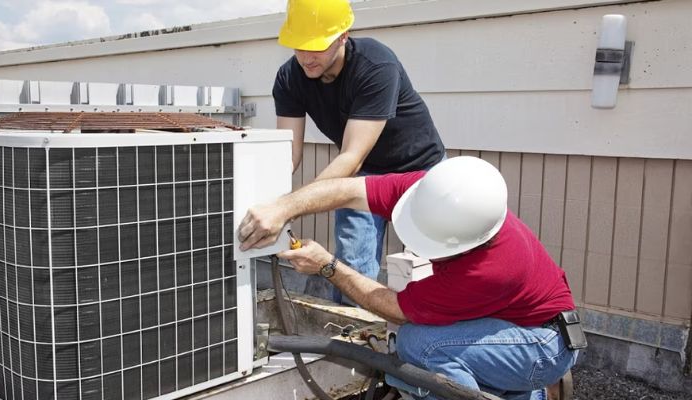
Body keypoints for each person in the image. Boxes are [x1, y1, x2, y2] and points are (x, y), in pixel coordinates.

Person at [238, 156, 579, 399]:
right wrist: (284, 207)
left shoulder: (489, 269)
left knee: (420, 344)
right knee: (424, 357)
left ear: (465, 245)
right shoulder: (432, 192)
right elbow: (347, 189)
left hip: (544, 347)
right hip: (515, 326)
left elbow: (395, 309)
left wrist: (328, 265)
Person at [269, 0, 446, 303]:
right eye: (298, 46)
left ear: (343, 35)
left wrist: (291, 205)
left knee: (432, 265)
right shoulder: (289, 78)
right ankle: (354, 340)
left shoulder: (376, 65)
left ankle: (426, 338)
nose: (306, 57)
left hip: (420, 171)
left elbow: (352, 156)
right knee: (352, 265)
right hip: (365, 175)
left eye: (316, 46)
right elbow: (290, 154)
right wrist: (268, 202)